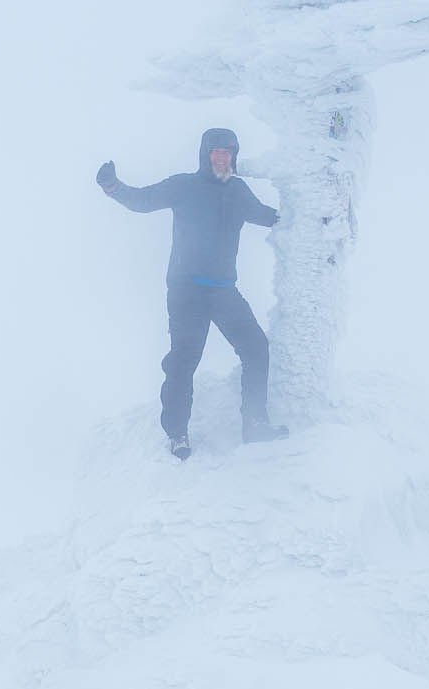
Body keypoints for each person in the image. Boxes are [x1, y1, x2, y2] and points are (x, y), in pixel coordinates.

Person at [96, 128, 288, 460]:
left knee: (256, 348)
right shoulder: (184, 186)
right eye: (215, 151)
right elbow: (143, 200)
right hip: (187, 292)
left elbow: (269, 217)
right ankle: (177, 433)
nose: (221, 157)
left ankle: (255, 424)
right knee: (183, 362)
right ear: (204, 154)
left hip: (224, 291)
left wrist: (313, 215)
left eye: (228, 152)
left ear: (234, 157)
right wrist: (112, 187)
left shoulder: (239, 192)